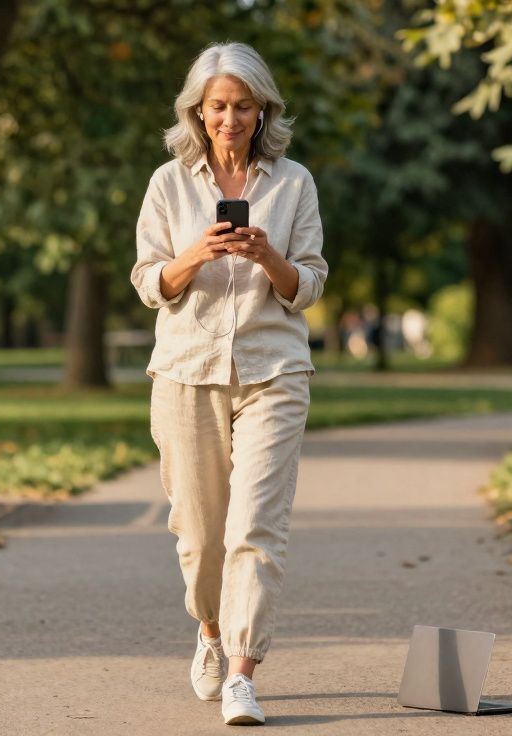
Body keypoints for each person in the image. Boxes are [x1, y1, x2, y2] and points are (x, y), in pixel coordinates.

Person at [130, 42, 328, 726]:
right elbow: (148, 281)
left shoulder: (294, 183)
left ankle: (242, 672)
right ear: (197, 110)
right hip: (186, 371)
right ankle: (210, 632)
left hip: (275, 370)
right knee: (198, 534)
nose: (231, 118)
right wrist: (195, 256)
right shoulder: (168, 183)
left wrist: (268, 256)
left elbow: (309, 284)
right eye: (218, 105)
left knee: (256, 526)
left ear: (263, 109)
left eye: (245, 106)